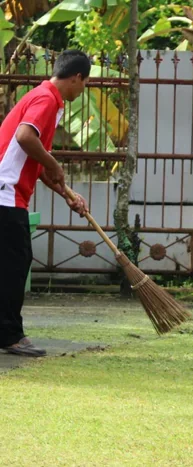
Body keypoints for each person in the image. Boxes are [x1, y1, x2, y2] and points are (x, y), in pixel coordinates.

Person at [0, 50, 89, 357]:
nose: (83, 90)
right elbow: (25, 137)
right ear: (77, 77)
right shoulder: (46, 99)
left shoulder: (44, 97)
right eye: (85, 83)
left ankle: (8, 332)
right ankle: (10, 335)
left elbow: (36, 165)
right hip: (6, 193)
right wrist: (54, 163)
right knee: (15, 264)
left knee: (11, 263)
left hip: (9, 193)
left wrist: (68, 193)